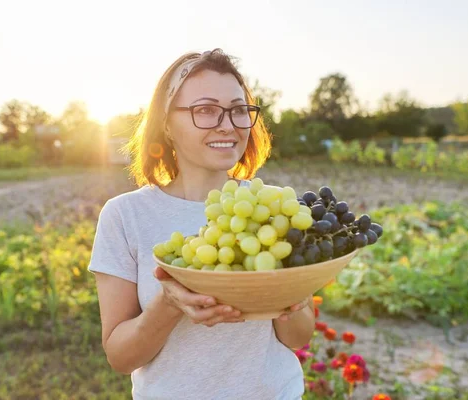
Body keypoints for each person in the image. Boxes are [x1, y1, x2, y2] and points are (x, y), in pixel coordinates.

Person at [87, 48, 315, 400]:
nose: (228, 124)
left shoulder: (275, 208)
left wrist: (290, 295)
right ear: (166, 123)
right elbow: (120, 356)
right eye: (205, 110)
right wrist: (168, 305)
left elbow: (298, 338)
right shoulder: (124, 216)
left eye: (239, 110)